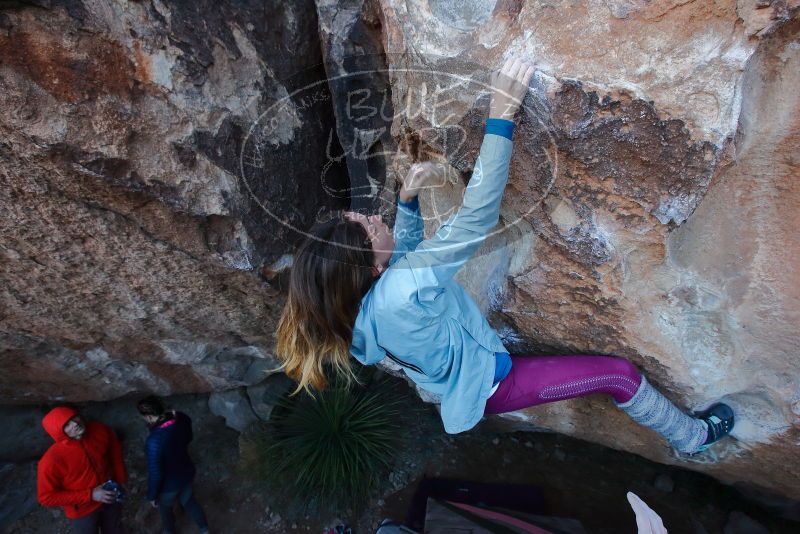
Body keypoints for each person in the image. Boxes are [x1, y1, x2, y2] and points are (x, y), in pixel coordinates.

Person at [275, 58, 734, 455]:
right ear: (371, 267)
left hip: (463, 375)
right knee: (618, 375)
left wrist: (409, 203)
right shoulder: (397, 291)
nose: (374, 219)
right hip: (495, 382)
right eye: (370, 228)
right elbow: (476, 217)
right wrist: (501, 117)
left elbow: (402, 270)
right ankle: (691, 438)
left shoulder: (360, 310)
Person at [37, 406, 128, 534]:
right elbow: (46, 497)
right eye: (67, 425)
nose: (75, 424)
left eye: (74, 418)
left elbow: (114, 451)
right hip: (83, 510)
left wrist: (120, 479)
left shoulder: (99, 430)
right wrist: (90, 495)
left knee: (115, 529)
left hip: (110, 494)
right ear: (58, 432)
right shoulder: (52, 460)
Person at [137, 396, 209, 534]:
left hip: (169, 484)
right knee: (189, 501)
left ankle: (168, 531)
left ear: (148, 417)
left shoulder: (154, 441)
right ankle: (205, 530)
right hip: (186, 471)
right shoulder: (180, 417)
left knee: (165, 509)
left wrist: (152, 495)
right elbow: (189, 437)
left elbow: (155, 472)